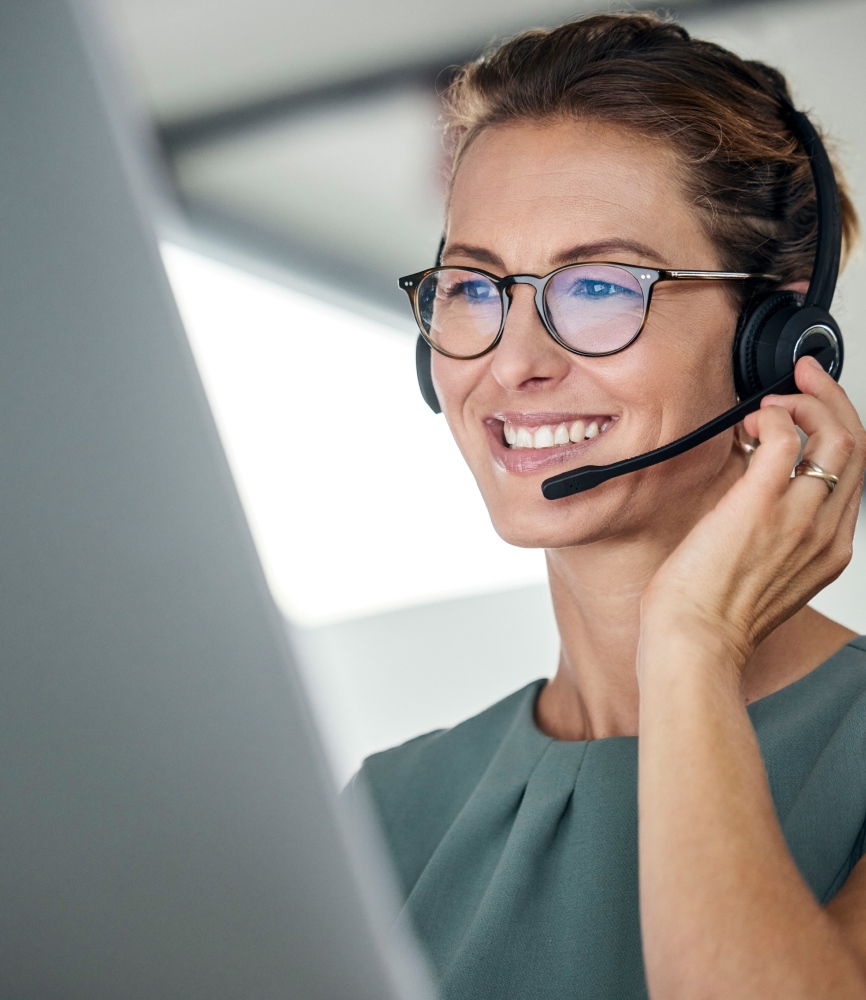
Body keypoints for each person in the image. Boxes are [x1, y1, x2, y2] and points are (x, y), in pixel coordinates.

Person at [342, 13, 866, 999]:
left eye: (594, 284)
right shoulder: (380, 815)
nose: (512, 363)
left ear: (776, 334)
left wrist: (690, 642)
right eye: (474, 286)